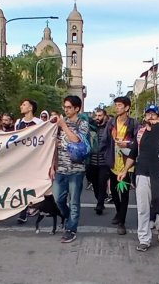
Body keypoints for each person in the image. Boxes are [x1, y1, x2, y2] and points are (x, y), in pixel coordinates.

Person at [118, 104, 159, 251]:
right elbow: (133, 154)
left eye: (154, 114)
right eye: (148, 114)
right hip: (143, 173)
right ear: (145, 116)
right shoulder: (140, 133)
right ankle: (144, 239)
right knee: (143, 208)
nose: (151, 117)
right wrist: (125, 170)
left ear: (158, 116)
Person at [51, 95, 89, 243]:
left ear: (77, 109)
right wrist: (52, 165)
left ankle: (71, 229)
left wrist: (64, 126)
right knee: (58, 199)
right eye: (64, 107)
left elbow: (76, 140)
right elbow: (54, 145)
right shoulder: (60, 123)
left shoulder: (82, 123)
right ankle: (68, 218)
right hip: (60, 167)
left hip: (76, 169)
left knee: (74, 202)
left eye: (69, 107)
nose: (66, 110)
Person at [100, 96, 140, 235]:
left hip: (127, 165)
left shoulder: (134, 124)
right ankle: (118, 213)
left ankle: (122, 222)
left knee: (124, 193)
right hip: (113, 163)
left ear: (127, 108)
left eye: (120, 105)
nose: (117, 108)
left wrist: (127, 144)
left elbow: (138, 141)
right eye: (116, 105)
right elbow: (104, 141)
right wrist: (105, 155)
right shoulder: (111, 123)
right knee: (114, 192)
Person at [15, 98, 41, 223]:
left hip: (34, 159)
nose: (21, 106)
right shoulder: (18, 122)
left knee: (33, 186)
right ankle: (23, 212)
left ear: (30, 108)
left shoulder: (38, 122)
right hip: (21, 159)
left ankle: (36, 206)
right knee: (21, 186)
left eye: (24, 104)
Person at [86, 108, 109, 215]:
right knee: (94, 183)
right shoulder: (92, 128)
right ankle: (100, 198)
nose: (98, 118)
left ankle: (100, 204)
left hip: (104, 162)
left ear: (105, 116)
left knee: (102, 182)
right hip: (92, 161)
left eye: (100, 115)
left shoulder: (109, 128)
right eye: (96, 115)